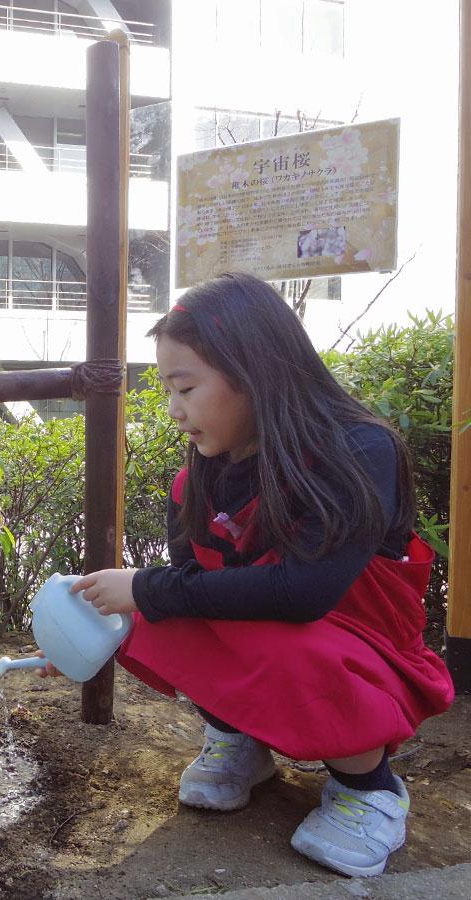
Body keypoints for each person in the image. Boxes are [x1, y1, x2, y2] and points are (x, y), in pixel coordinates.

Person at [47, 272, 454, 878]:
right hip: (280, 633)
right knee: (152, 618)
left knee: (264, 635)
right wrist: (86, 630)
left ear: (255, 371)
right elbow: (189, 582)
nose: (173, 409)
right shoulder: (202, 473)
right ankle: (240, 741)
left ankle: (368, 789)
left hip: (358, 650)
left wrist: (147, 588)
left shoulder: (358, 451)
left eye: (184, 387)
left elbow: (302, 594)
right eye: (166, 389)